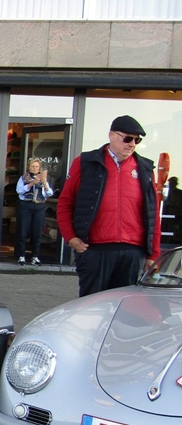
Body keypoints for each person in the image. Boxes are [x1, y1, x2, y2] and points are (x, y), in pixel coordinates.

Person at [57, 115, 160, 298]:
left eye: (137, 140)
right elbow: (66, 202)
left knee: (124, 307)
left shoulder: (144, 168)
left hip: (131, 252)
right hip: (94, 249)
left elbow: (153, 213)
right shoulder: (86, 163)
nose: (132, 144)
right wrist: (70, 237)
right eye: (128, 138)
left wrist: (153, 254)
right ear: (112, 135)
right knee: (91, 306)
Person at [15, 157, 53, 266]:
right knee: (23, 231)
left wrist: (44, 184)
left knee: (37, 233)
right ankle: (21, 256)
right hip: (26, 206)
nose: (35, 168)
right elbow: (19, 190)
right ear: (29, 167)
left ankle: (35, 256)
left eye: (37, 166)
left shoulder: (43, 178)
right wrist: (32, 183)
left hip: (39, 206)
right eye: (33, 166)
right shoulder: (23, 178)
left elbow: (50, 193)